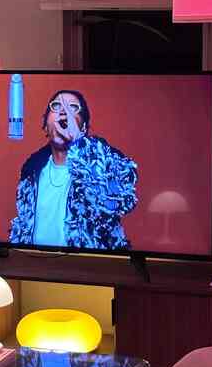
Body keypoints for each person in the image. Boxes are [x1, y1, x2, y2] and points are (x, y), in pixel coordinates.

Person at [9, 90, 138, 251]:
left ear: (83, 128)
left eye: (73, 108)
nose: (64, 111)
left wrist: (77, 142)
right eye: (56, 106)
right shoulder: (31, 171)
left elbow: (112, 205)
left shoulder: (102, 165)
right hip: (36, 262)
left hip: (87, 264)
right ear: (45, 126)